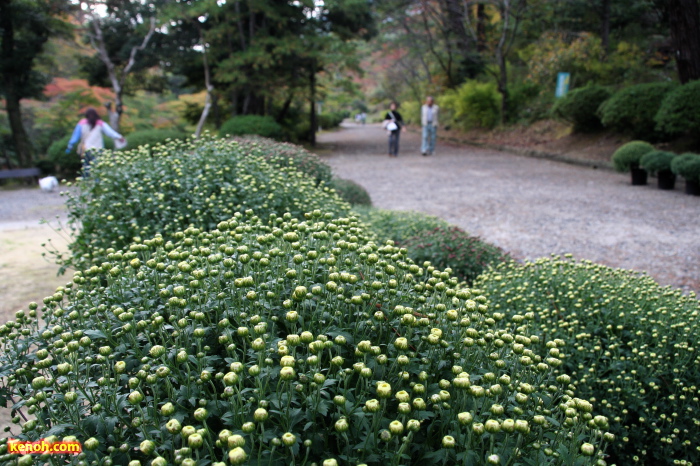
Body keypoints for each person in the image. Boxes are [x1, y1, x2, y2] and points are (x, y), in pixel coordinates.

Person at [66, 108, 125, 176]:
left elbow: (75, 137)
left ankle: (86, 183)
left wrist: (70, 145)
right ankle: (97, 183)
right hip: (98, 149)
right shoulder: (100, 123)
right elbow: (110, 133)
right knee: (98, 169)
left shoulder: (81, 123)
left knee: (86, 168)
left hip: (86, 149)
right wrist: (119, 137)